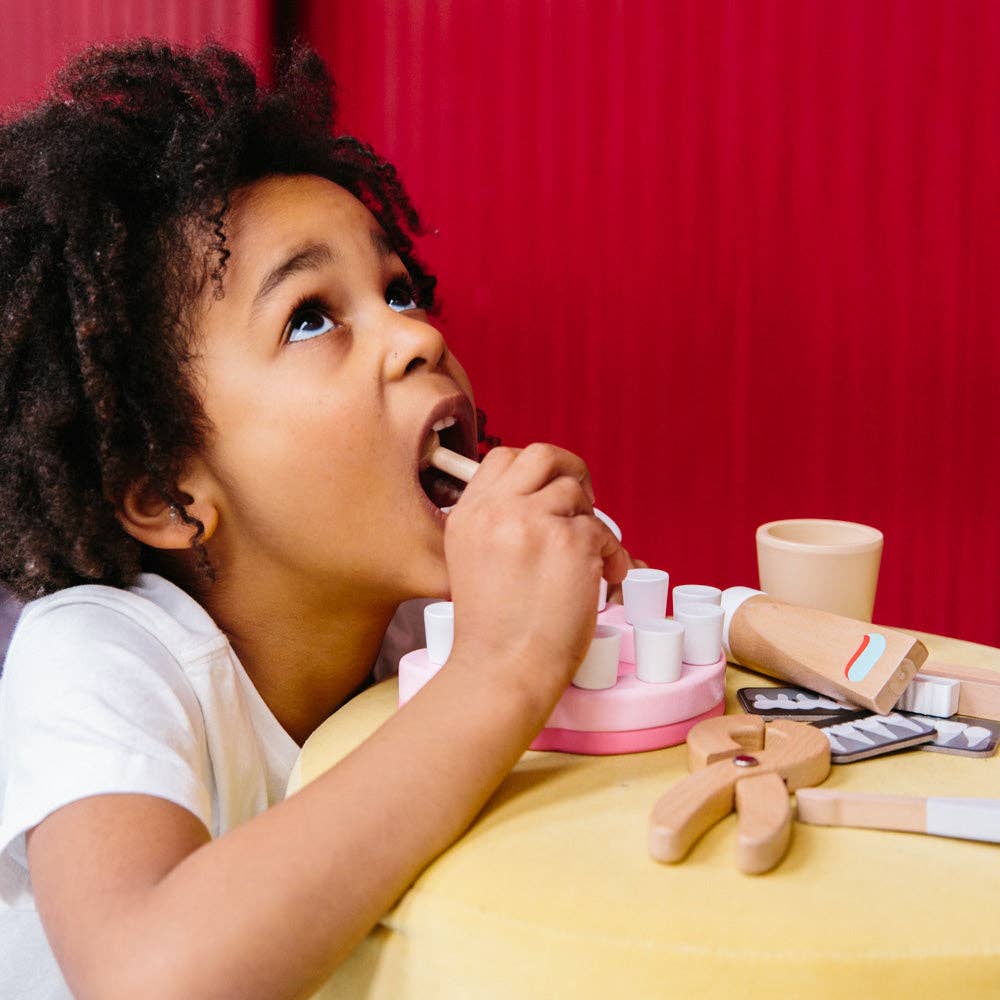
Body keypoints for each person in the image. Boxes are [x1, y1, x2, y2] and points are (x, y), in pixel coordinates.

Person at [0, 40, 634, 999]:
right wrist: (502, 671)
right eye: (309, 317)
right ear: (169, 493)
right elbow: (147, 977)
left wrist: (572, 630)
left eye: (399, 292)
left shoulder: (421, 635)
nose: (418, 336)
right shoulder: (99, 657)